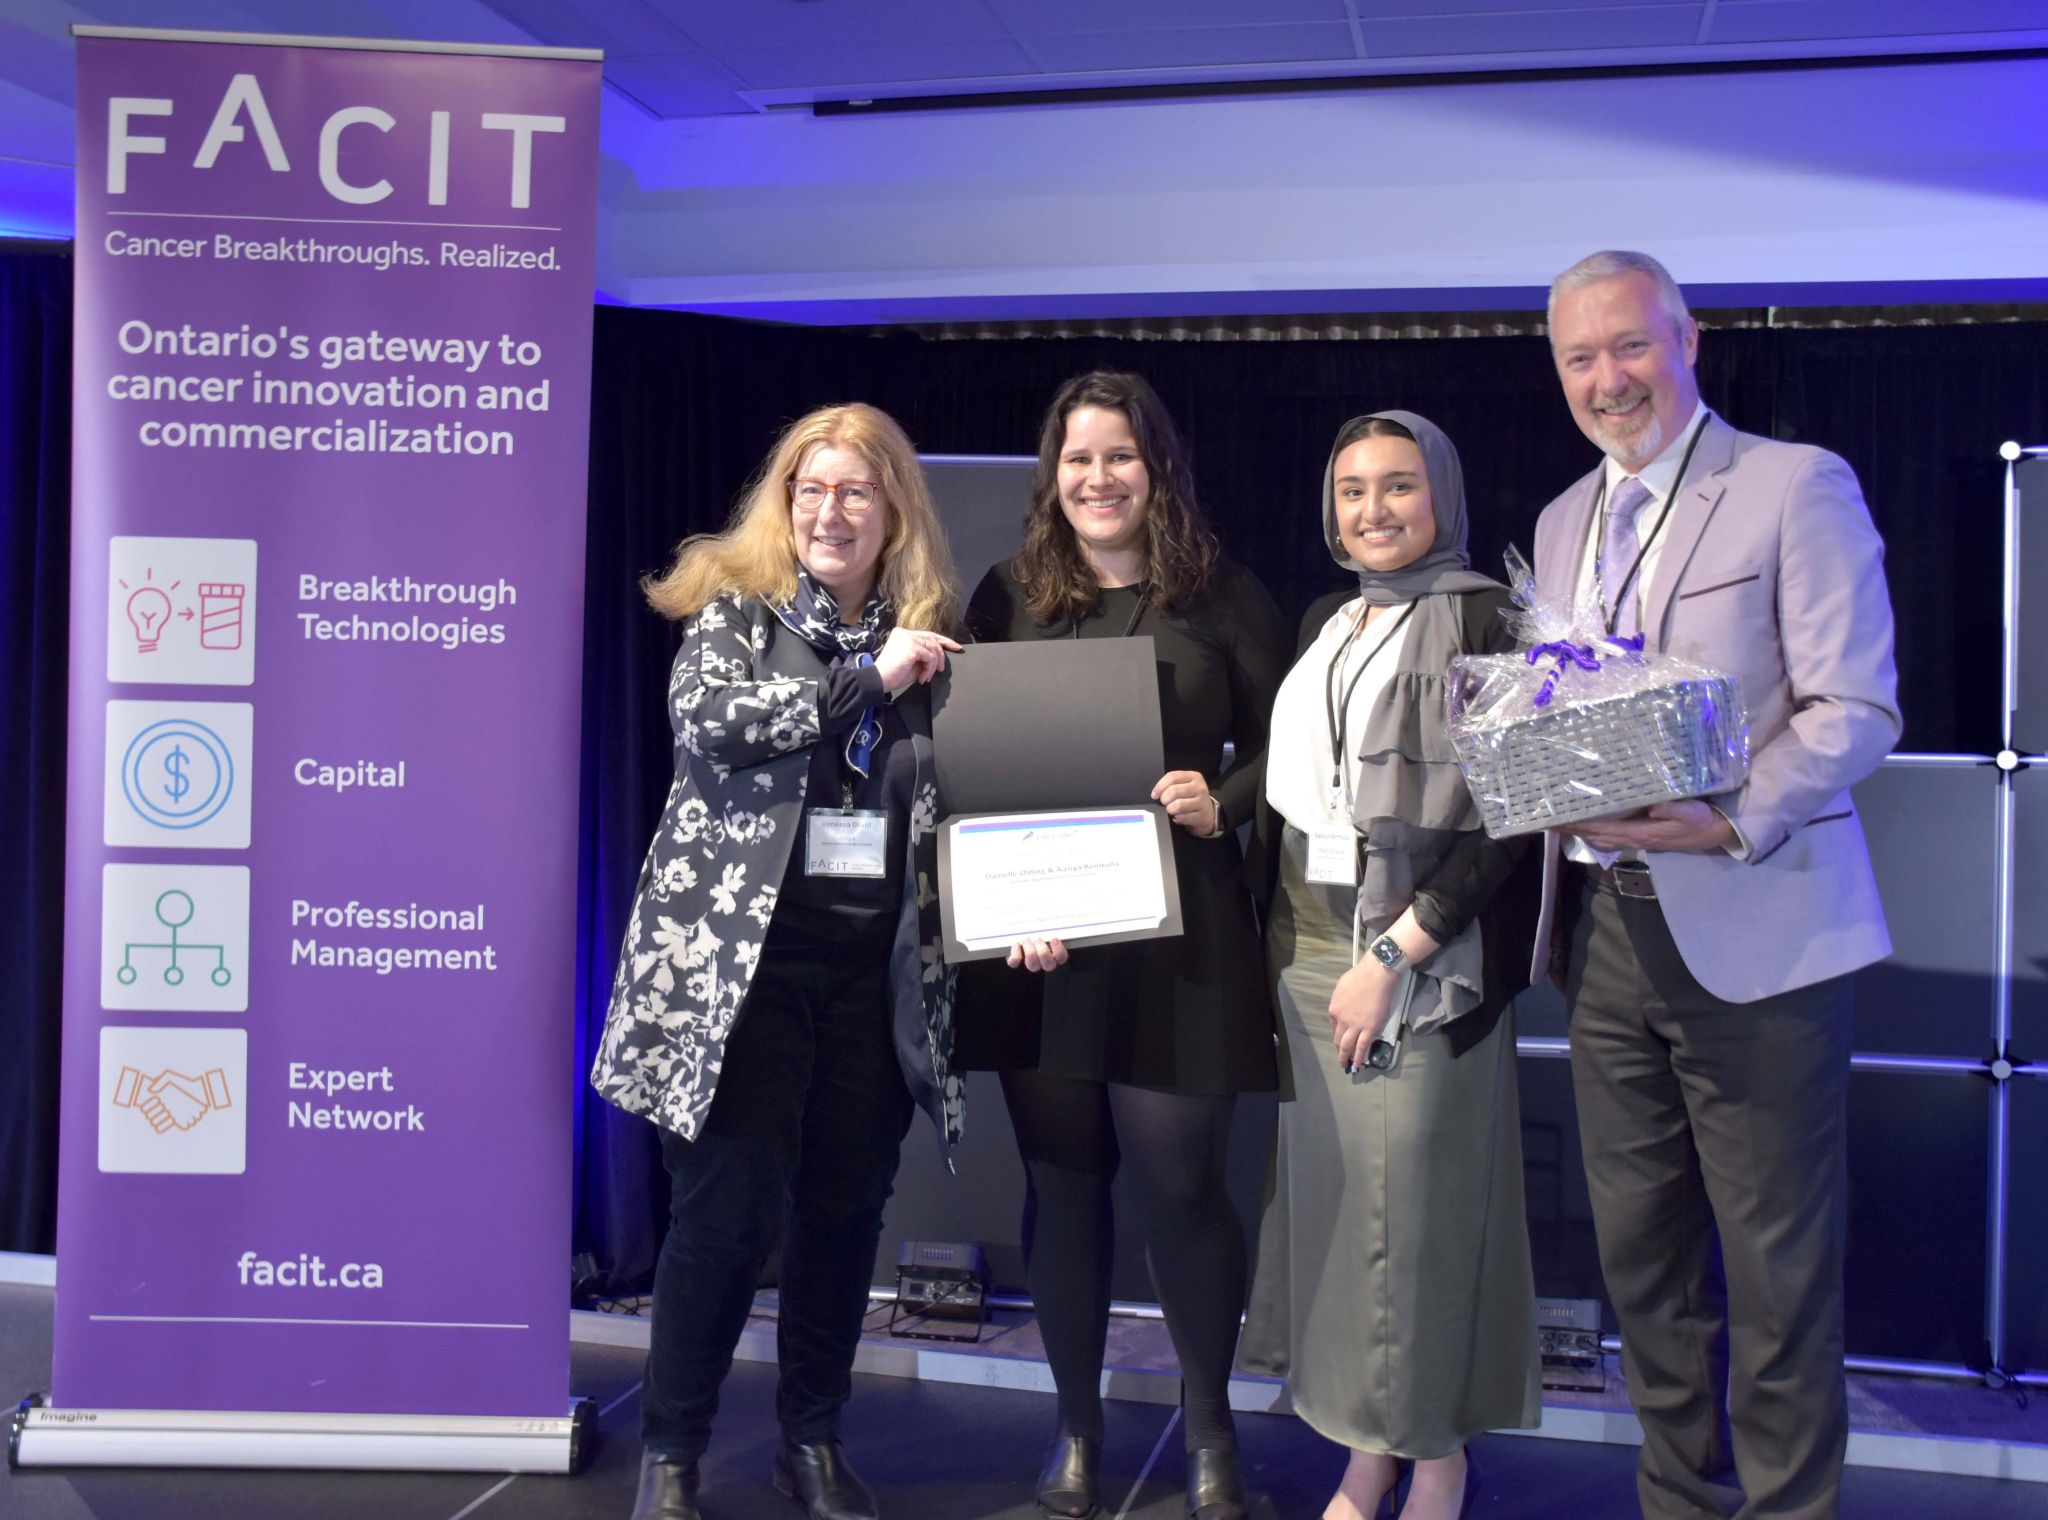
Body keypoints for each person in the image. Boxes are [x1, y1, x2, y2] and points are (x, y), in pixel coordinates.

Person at [1532, 251, 1900, 1520]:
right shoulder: (1561, 520)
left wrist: (1728, 818)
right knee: (1641, 1270)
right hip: (1605, 934)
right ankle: (1676, 1504)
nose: (1605, 379)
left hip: (1758, 922)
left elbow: (1855, 708)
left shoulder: (1794, 484)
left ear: (1686, 341)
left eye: (1627, 346)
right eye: (1578, 358)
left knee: (1776, 1271)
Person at [591, 403, 970, 1520]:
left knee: (846, 1210)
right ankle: (670, 1451)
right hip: (736, 977)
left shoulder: (930, 643)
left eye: (855, 490)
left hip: (873, 975)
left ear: (894, 506)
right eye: (810, 489)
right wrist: (869, 682)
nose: (829, 511)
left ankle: (810, 1439)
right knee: (725, 1214)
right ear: (783, 502)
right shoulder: (735, 614)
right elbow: (712, 722)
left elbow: (971, 802)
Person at [954, 370, 1290, 1520]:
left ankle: (1209, 1436)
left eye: (1120, 458)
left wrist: (1225, 798)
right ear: (1053, 474)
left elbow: (1293, 750)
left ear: (1157, 471)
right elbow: (964, 770)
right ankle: (1076, 1436)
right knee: (1062, 1185)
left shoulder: (1221, 594)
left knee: (1184, 1187)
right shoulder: (1004, 596)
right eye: (1077, 458)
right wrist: (998, 903)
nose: (1097, 479)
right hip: (1038, 946)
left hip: (1180, 937)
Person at [1238, 411, 1542, 1520]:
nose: (1373, 509)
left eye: (1398, 485)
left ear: (1442, 494)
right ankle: (1367, 1452)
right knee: (1338, 1220)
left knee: (1412, 1223)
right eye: (1352, 488)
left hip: (1419, 954)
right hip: (1303, 945)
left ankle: (1436, 1455)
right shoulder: (1330, 616)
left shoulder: (1487, 617)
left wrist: (1396, 949)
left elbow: (1512, 814)